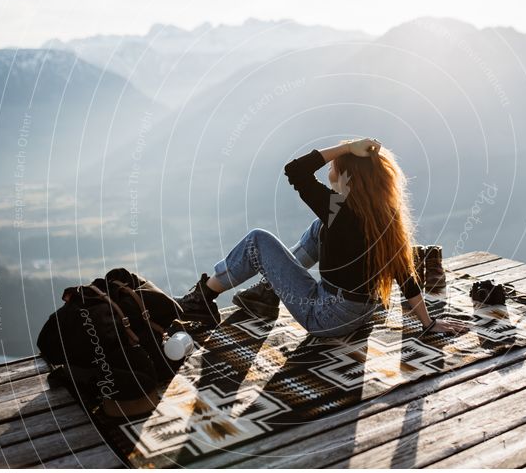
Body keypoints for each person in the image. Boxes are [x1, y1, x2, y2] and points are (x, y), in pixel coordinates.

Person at [177, 138, 467, 337]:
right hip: (361, 312)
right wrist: (428, 323)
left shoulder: (340, 213)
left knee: (257, 242)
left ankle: (203, 297)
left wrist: (346, 147)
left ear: (346, 177)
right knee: (319, 229)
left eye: (335, 165)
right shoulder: (382, 216)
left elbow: (295, 171)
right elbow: (405, 275)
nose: (330, 168)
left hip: (327, 317)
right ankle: (268, 292)